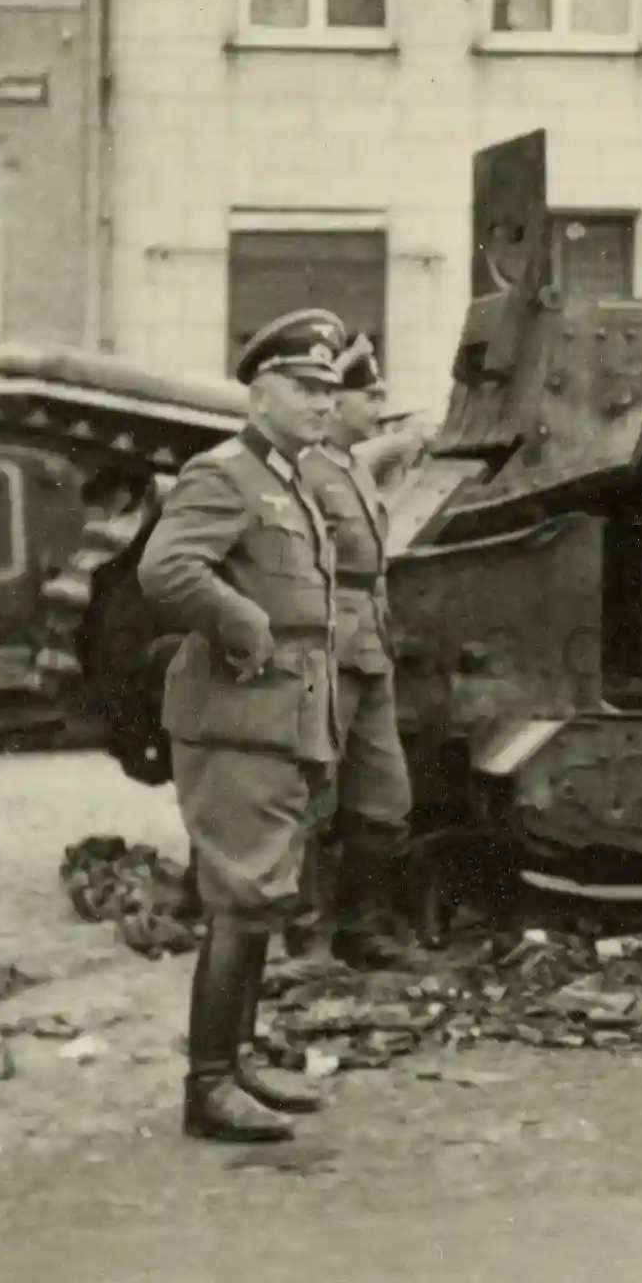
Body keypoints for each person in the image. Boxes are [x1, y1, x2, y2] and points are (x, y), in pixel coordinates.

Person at [134, 312, 366, 1143]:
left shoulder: (294, 476)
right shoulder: (224, 472)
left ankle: (235, 1063)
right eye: (302, 387)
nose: (318, 401)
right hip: (237, 712)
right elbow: (165, 567)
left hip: (282, 714)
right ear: (258, 391)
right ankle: (207, 1086)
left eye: (327, 389)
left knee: (261, 896)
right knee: (238, 900)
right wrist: (239, 619)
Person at [267, 309, 425, 970]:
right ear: (331, 408)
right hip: (321, 647)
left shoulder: (353, 469)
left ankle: (365, 928)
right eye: (370, 395)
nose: (378, 405)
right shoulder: (303, 471)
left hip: (367, 649)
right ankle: (295, 937)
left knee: (384, 798)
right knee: (306, 794)